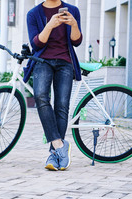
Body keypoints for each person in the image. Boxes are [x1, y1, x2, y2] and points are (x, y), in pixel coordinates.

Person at [23, 0, 82, 171]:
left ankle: (55, 154)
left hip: (65, 62)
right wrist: (49, 26)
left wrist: (74, 24)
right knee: (40, 95)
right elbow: (36, 44)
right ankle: (59, 144)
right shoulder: (33, 14)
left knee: (62, 105)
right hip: (42, 61)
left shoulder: (73, 10)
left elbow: (77, 42)